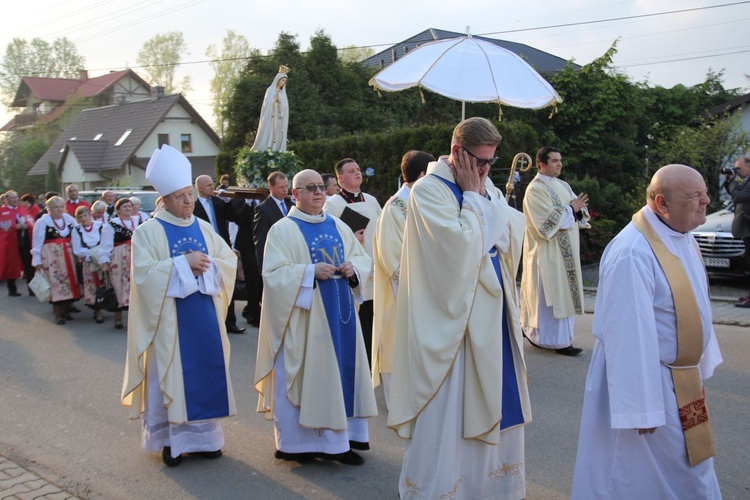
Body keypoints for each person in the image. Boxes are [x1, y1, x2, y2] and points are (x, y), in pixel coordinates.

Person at [388, 118, 531, 499]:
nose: (485, 170)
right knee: (450, 412)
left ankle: (491, 489)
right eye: (480, 162)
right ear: (456, 152)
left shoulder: (486, 188)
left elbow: (512, 233)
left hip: (492, 315)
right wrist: (474, 201)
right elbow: (458, 252)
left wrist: (480, 201)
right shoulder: (428, 191)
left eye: (490, 163)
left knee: (496, 401)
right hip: (450, 322)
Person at [571, 164, 723, 499]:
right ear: (661, 203)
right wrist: (640, 404)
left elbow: (697, 306)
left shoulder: (681, 237)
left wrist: (698, 367)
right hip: (651, 386)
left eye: (705, 193)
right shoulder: (633, 251)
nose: (705, 202)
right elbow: (626, 335)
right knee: (635, 477)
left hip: (680, 381)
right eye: (695, 196)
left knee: (692, 470)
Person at [121, 144, 237, 467]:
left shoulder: (202, 227)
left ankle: (206, 439)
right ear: (165, 200)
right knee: (171, 377)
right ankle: (171, 442)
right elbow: (144, 277)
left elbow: (225, 259)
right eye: (181, 196)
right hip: (169, 320)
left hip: (204, 316)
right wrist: (184, 264)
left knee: (205, 370)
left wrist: (208, 264)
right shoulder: (147, 232)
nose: (188, 202)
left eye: (190, 195)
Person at [254, 169, 377, 466]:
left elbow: (362, 257)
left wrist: (353, 268)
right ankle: (298, 444)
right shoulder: (283, 229)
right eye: (309, 188)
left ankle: (341, 442)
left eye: (321, 187)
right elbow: (272, 274)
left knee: (340, 373)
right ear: (294, 194)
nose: (318, 192)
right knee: (310, 376)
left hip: (340, 316)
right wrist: (309, 272)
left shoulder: (338, 224)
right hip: (304, 322)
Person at [371, 150, 433, 407]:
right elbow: (391, 257)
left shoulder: (423, 203)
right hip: (403, 295)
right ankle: (398, 401)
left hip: (426, 290)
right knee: (397, 345)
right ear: (421, 176)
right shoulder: (394, 209)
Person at [520, 147, 590, 356]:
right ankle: (548, 340)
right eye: (554, 161)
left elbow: (578, 211)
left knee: (564, 295)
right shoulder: (535, 189)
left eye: (560, 160)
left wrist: (577, 210)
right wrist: (571, 209)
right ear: (541, 164)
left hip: (564, 254)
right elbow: (545, 223)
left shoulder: (563, 185)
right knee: (548, 297)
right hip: (547, 254)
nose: (559, 164)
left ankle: (561, 339)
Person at [324, 158, 382, 367]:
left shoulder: (371, 200)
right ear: (340, 178)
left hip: (377, 270)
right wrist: (350, 239)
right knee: (361, 322)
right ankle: (359, 364)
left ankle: (376, 362)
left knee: (377, 321)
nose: (358, 173)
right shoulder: (333, 204)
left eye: (358, 169)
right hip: (354, 272)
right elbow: (329, 237)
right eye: (351, 171)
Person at [193, 175, 245, 334]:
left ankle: (231, 322)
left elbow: (234, 218)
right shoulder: (194, 206)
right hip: (204, 249)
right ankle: (214, 321)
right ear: (199, 187)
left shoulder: (219, 202)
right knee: (209, 286)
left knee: (226, 282)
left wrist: (228, 202)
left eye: (212, 184)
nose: (212, 187)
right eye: (208, 185)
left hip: (222, 248)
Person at [31, 196, 81, 324]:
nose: (58, 210)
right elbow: (37, 243)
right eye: (54, 207)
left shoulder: (69, 220)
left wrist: (79, 254)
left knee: (69, 282)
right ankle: (58, 314)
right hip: (51, 256)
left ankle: (67, 310)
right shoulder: (42, 222)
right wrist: (37, 260)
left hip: (68, 256)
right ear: (48, 209)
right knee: (55, 283)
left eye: (60, 207)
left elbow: (77, 237)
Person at [99, 198, 138, 329]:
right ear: (118, 210)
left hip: (135, 256)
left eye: (129, 206)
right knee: (118, 286)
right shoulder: (111, 225)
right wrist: (105, 261)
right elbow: (106, 244)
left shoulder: (138, 221)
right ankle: (118, 318)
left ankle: (135, 320)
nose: (127, 208)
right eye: (124, 206)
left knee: (135, 286)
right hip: (119, 257)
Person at [722, 152, 750, 307]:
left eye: (739, 168)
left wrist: (733, 182)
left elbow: (739, 197)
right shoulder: (746, 181)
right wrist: (729, 181)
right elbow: (735, 195)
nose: (737, 170)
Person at [71, 205, 105, 323]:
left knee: (103, 283)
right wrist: (89, 254)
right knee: (91, 285)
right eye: (80, 217)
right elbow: (77, 249)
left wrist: (100, 254)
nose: (83, 219)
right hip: (88, 260)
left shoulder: (100, 226)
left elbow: (106, 242)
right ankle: (96, 310)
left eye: (85, 215)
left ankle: (104, 304)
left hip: (101, 258)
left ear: (90, 215)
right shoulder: (76, 230)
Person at [253, 171, 293, 274]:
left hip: (293, 256)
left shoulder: (292, 205)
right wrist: (264, 268)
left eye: (286, 186)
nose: (285, 190)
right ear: (270, 187)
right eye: (281, 187)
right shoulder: (263, 209)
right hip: (276, 258)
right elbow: (261, 240)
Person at [1, 190, 34, 297]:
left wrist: (27, 226)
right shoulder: (2, 211)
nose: (15, 199)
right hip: (10, 242)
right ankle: (12, 289)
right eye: (12, 198)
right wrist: (14, 227)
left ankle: (32, 289)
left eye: (16, 197)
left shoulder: (21, 209)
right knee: (11, 265)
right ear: (6, 200)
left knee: (28, 265)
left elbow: (30, 221)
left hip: (24, 240)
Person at [250, 66, 289, 152]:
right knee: (268, 134)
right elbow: (266, 104)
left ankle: (275, 151)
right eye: (282, 80)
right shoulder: (270, 90)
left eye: (285, 81)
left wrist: (281, 102)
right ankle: (265, 150)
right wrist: (275, 100)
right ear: (278, 79)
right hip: (270, 119)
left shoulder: (283, 94)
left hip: (278, 120)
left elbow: (285, 108)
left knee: (277, 136)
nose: (283, 83)